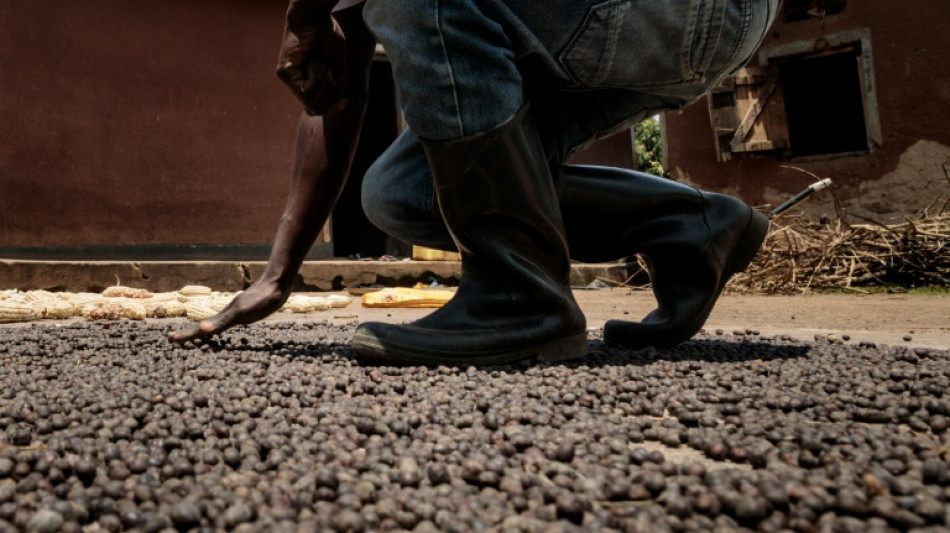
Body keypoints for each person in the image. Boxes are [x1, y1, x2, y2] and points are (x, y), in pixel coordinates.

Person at [172, 0, 778, 367]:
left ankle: (520, 300)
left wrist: (305, 10)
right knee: (401, 191)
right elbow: (340, 82)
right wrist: (279, 275)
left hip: (686, 12)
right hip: (628, 29)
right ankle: (691, 227)